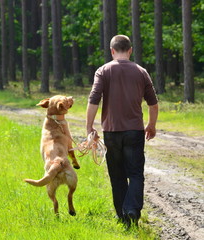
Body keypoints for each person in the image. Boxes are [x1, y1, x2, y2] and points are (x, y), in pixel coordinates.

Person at [86, 35, 159, 227]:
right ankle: (132, 210)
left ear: (112, 51)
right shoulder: (141, 71)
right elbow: (153, 103)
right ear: (130, 50)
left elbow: (94, 100)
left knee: (117, 174)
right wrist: (151, 125)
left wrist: (89, 127)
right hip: (134, 131)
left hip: (111, 132)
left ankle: (123, 216)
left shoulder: (103, 71)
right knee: (135, 173)